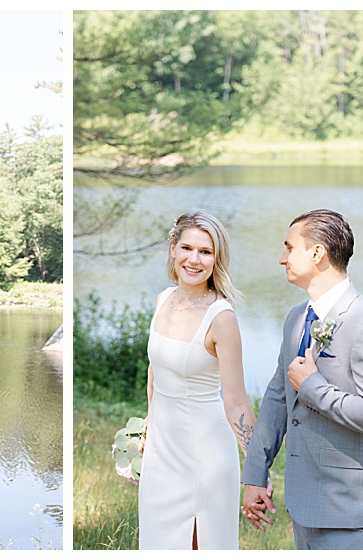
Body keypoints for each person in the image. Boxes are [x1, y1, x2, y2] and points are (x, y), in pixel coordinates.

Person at [241, 209, 363, 549]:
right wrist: (256, 473)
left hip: (349, 508)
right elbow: (277, 397)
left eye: (289, 248)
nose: (281, 258)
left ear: (317, 254)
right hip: (304, 505)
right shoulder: (297, 318)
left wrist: (313, 386)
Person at [138, 211, 257, 549]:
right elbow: (155, 370)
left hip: (205, 457)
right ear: (173, 248)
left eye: (205, 252)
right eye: (187, 248)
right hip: (162, 453)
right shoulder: (164, 300)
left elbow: (236, 400)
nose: (194, 259)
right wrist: (150, 422)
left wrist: (256, 469)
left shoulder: (222, 318)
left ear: (217, 259)